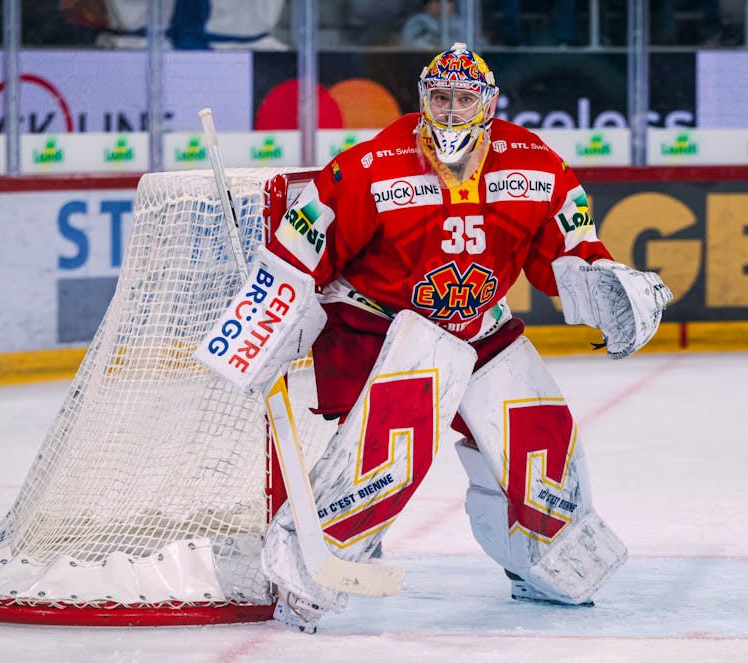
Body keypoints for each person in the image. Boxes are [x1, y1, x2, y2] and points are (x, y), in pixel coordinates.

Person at [197, 43, 672, 634]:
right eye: (440, 97)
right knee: (389, 456)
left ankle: (540, 563)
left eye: (463, 99)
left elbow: (569, 251)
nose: (450, 111)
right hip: (381, 327)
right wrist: (263, 321)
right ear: (423, 98)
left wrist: (604, 283)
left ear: (488, 104)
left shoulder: (537, 165)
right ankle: (305, 577)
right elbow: (301, 249)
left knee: (541, 436)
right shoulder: (372, 164)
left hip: (480, 324)